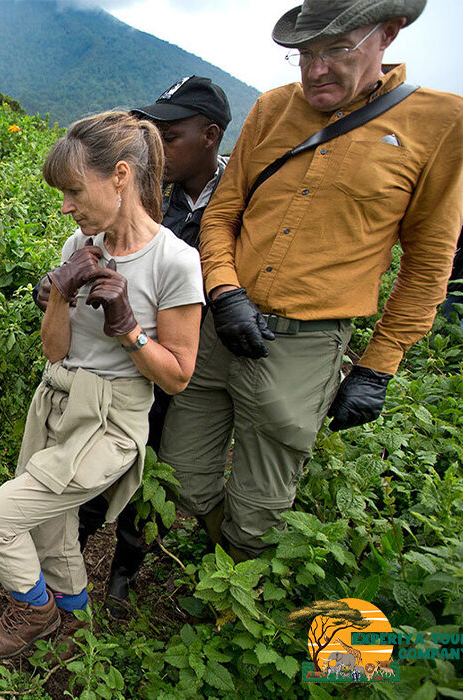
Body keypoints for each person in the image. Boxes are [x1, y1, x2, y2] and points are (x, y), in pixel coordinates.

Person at [159, 0, 463, 562]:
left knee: (259, 509)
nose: (315, 69)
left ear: (388, 35)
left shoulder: (440, 124)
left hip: (305, 345)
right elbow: (224, 213)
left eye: (336, 50)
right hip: (220, 327)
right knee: (183, 475)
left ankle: (238, 588)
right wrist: (224, 290)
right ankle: (224, 554)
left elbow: (427, 263)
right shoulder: (274, 109)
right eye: (304, 53)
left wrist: (378, 366)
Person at [0, 111, 204, 659]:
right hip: (57, 397)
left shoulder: (175, 260)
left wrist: (127, 326)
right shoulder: (81, 241)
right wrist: (60, 292)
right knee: (52, 529)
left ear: (120, 175)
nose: (67, 206)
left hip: (112, 419)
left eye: (75, 190)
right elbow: (54, 349)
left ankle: (35, 608)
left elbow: (178, 375)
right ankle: (75, 628)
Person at [74, 76, 232, 616]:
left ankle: (125, 569)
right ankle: (72, 548)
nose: (157, 145)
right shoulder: (150, 197)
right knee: (104, 455)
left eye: (172, 132)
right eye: (155, 131)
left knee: (160, 465)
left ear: (210, 136)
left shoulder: (240, 199)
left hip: (192, 360)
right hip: (135, 361)